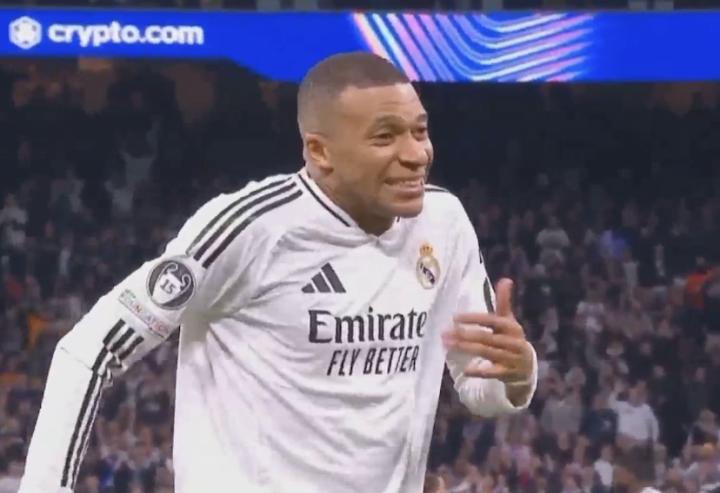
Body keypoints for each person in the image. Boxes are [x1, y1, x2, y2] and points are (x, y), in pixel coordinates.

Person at [18, 52, 537, 493]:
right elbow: (91, 350)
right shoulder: (250, 229)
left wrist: (516, 372)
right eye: (385, 137)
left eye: (420, 131)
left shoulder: (443, 222)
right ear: (320, 152)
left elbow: (483, 389)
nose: (416, 154)